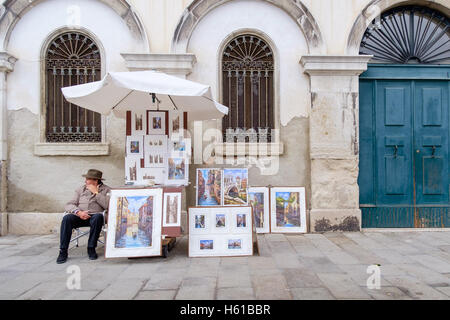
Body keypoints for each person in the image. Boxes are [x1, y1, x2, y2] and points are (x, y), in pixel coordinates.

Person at [56, 169, 111, 264]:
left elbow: (108, 206)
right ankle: (63, 251)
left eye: (88, 179)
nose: (85, 181)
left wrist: (96, 193)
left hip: (96, 217)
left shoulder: (107, 190)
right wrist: (78, 212)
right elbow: (69, 204)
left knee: (97, 217)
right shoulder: (80, 189)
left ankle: (91, 248)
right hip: (80, 216)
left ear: (95, 180)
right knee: (67, 218)